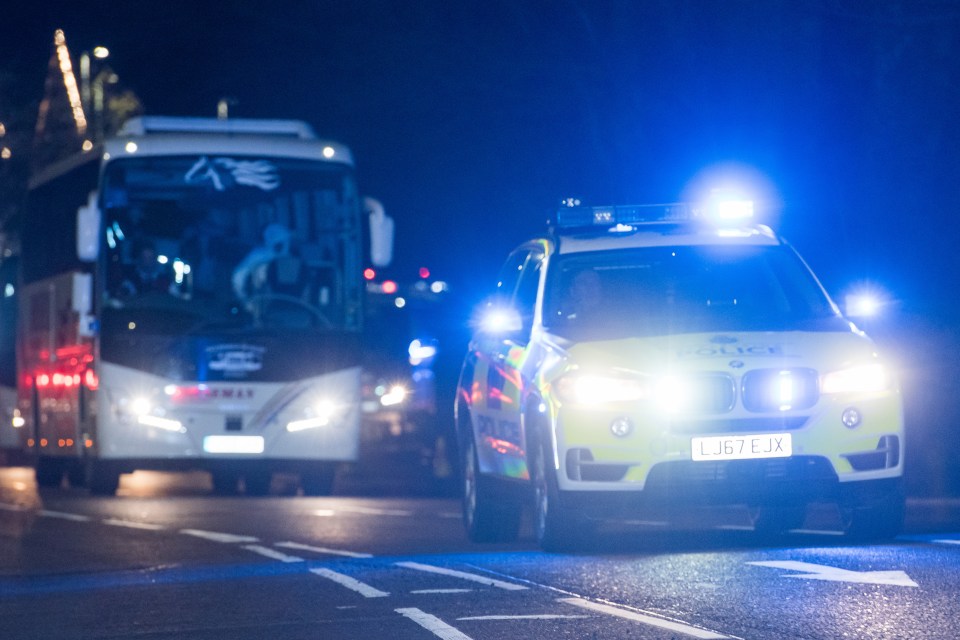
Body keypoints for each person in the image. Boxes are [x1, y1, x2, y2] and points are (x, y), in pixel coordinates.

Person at [231, 223, 296, 300]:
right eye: (280, 243)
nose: (283, 245)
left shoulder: (292, 259)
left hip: (288, 301)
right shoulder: (258, 256)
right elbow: (239, 275)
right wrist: (243, 298)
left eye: (286, 241)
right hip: (263, 300)